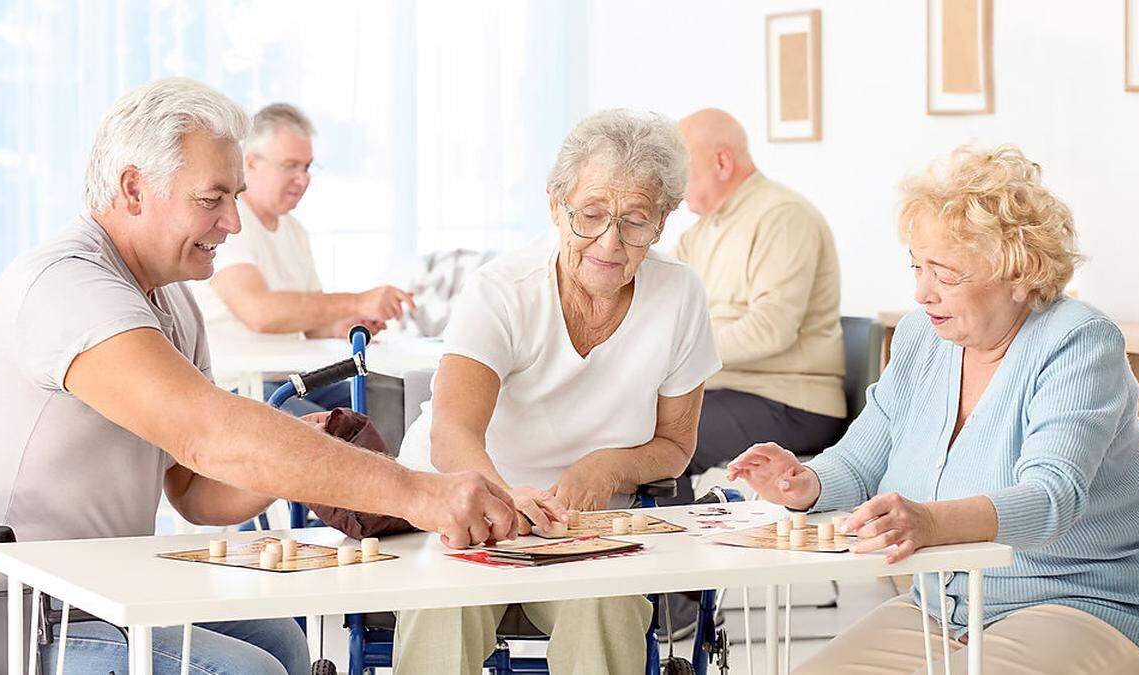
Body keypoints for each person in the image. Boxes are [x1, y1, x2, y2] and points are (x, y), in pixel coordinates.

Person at [0, 77, 517, 675]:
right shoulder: (66, 286)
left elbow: (197, 491)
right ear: (134, 189)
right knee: (252, 668)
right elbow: (209, 434)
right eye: (212, 199)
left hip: (95, 587)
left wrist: (305, 447)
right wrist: (420, 493)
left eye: (235, 196)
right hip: (9, 607)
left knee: (282, 641)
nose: (233, 223)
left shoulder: (172, 302)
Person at [728, 146, 1139, 674]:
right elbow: (861, 460)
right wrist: (803, 483)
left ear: (1019, 270)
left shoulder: (1077, 341)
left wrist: (930, 522)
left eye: (945, 274)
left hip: (1084, 605)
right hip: (942, 611)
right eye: (917, 267)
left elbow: (1052, 498)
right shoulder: (922, 337)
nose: (921, 292)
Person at [390, 109, 721, 674]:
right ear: (555, 205)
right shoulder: (503, 291)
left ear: (663, 221)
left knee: (608, 608)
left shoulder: (679, 295)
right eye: (590, 215)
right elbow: (453, 429)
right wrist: (498, 494)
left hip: (579, 526)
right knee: (444, 605)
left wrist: (609, 468)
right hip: (464, 503)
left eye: (635, 221)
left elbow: (675, 443)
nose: (609, 242)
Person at [192, 103, 414, 415]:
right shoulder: (229, 222)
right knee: (335, 430)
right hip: (244, 385)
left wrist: (347, 324)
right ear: (250, 164)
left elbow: (314, 326)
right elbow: (260, 312)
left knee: (392, 395)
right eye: (291, 166)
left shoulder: (294, 231)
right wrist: (357, 301)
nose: (303, 179)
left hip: (291, 377)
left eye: (307, 167)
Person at [670, 108, 845, 502]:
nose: (674, 184)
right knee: (624, 422)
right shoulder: (696, 235)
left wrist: (676, 355)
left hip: (791, 402)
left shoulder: (782, 216)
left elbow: (771, 329)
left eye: (682, 169)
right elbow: (667, 319)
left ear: (721, 162)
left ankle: (673, 549)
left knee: (661, 437)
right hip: (726, 393)